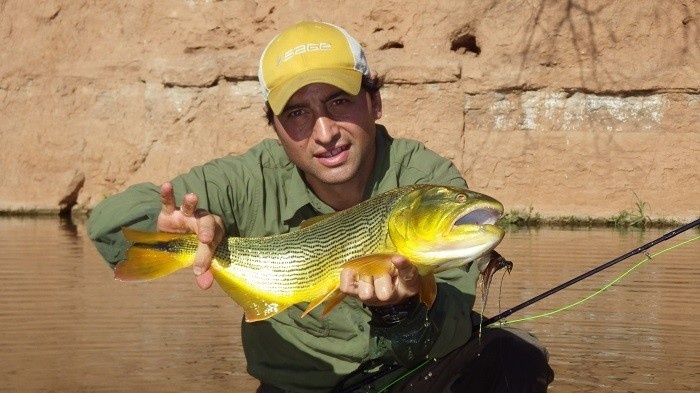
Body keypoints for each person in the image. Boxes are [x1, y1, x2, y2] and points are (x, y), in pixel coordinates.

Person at [88, 21, 554, 392]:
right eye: (297, 112)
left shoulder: (427, 182)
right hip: (299, 388)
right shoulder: (247, 179)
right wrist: (170, 228)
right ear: (273, 125)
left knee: (516, 355)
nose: (325, 131)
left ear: (374, 101)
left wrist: (402, 310)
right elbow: (108, 223)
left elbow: (450, 324)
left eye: (338, 101)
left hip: (417, 376)